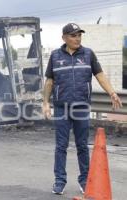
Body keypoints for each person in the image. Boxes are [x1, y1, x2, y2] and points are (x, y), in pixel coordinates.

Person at [43, 23, 123, 195]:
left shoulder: (88, 54)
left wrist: (112, 92)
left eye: (79, 35)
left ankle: (85, 180)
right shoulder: (55, 56)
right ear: (64, 37)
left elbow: (100, 75)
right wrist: (45, 103)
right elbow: (49, 81)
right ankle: (59, 181)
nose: (77, 38)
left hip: (81, 107)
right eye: (73, 35)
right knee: (61, 146)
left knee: (82, 146)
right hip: (61, 107)